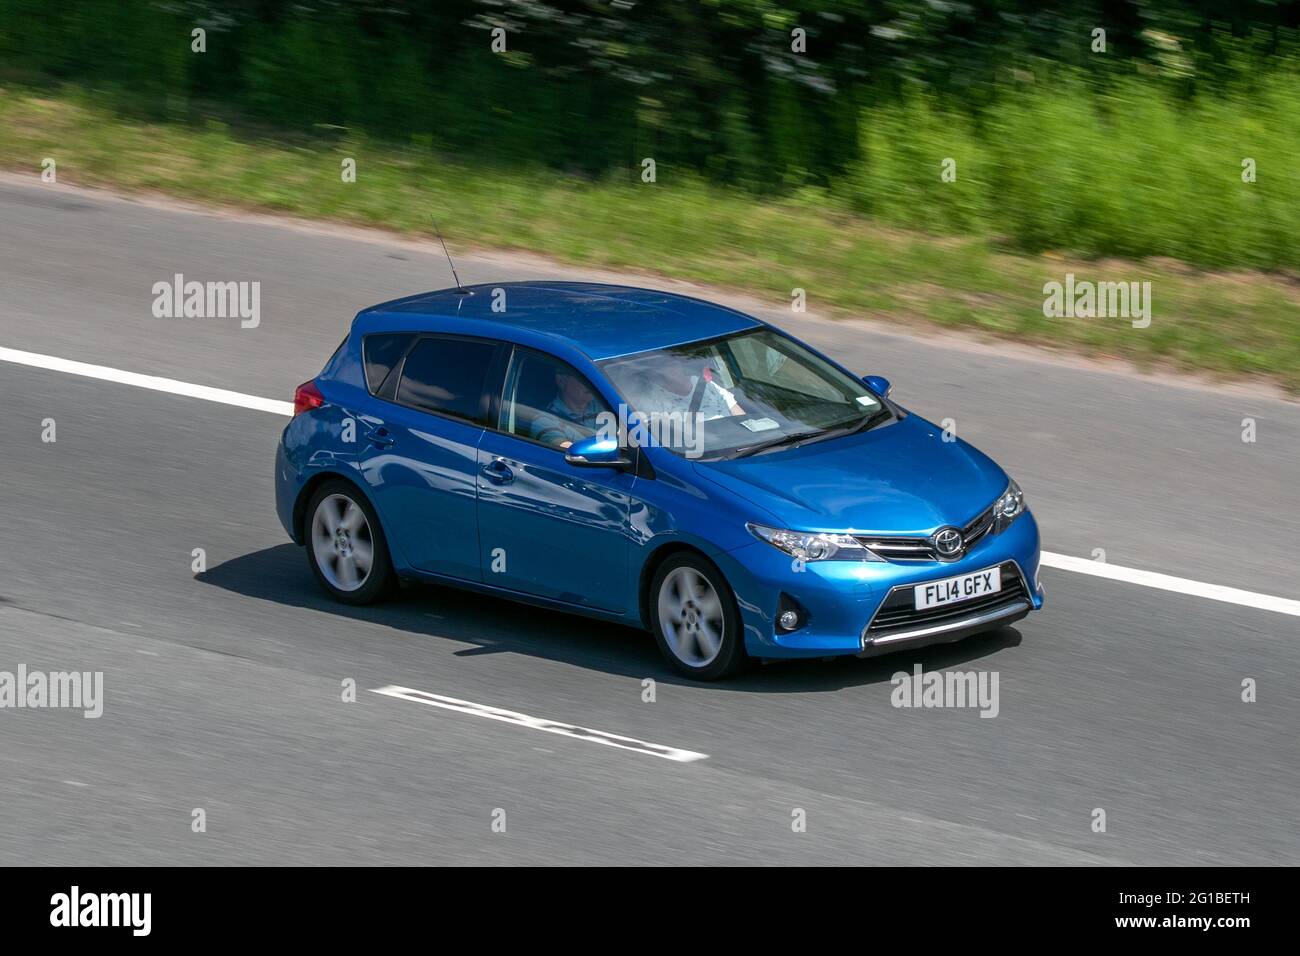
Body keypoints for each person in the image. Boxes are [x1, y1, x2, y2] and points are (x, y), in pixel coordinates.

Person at [530, 369, 604, 448]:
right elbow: (569, 451)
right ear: (560, 381)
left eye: (593, 377)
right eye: (583, 377)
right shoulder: (545, 421)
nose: (591, 382)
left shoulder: (605, 402)